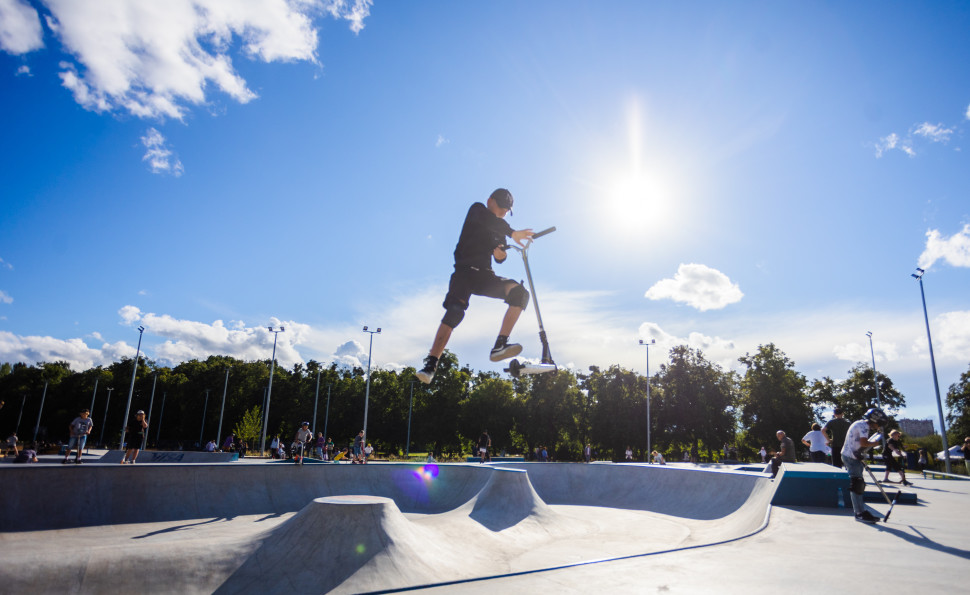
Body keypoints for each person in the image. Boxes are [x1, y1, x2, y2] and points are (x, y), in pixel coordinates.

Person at [415, 188, 535, 383]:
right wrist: (512, 232)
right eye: (502, 208)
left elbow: (500, 256)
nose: (503, 213)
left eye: (506, 211)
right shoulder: (477, 211)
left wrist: (500, 255)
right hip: (464, 273)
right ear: (490, 201)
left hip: (485, 277)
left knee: (519, 293)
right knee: (455, 312)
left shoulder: (500, 230)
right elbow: (491, 222)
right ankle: (431, 364)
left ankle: (500, 345)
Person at [842, 408, 889, 523]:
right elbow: (864, 443)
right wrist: (875, 443)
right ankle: (859, 513)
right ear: (874, 420)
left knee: (858, 482)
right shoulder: (864, 427)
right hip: (851, 457)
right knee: (857, 483)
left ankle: (860, 511)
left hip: (852, 455)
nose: (878, 427)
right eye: (879, 424)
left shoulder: (860, 424)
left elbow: (860, 444)